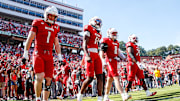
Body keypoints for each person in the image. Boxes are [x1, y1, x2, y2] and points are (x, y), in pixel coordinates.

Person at [22, 6, 63, 101]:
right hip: (38, 52)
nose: (52, 18)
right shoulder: (38, 22)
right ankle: (37, 98)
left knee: (49, 80)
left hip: (49, 54)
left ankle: (45, 99)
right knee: (39, 77)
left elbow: (56, 43)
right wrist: (26, 52)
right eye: (50, 16)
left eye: (54, 16)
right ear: (46, 15)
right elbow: (30, 37)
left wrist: (60, 56)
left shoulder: (56, 27)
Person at [100, 28, 131, 101]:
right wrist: (103, 61)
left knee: (110, 80)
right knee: (116, 77)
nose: (114, 35)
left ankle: (106, 97)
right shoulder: (106, 40)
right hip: (109, 60)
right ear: (109, 33)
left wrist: (124, 58)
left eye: (115, 33)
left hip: (114, 61)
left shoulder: (117, 42)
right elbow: (101, 51)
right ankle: (123, 95)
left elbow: (118, 52)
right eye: (113, 33)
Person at [77, 16, 103, 101]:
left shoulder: (99, 33)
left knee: (100, 76)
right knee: (90, 78)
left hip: (96, 54)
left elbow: (97, 45)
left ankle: (99, 98)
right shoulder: (88, 28)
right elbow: (84, 43)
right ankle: (80, 95)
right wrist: (87, 55)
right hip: (90, 53)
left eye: (99, 21)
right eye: (97, 21)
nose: (98, 23)